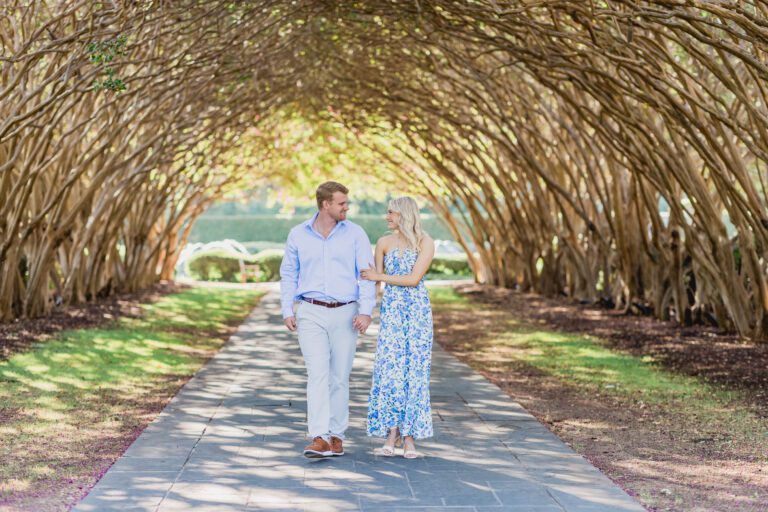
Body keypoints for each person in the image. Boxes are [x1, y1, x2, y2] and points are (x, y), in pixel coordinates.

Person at [279, 181, 376, 458]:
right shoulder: (298, 234)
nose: (347, 207)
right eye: (342, 203)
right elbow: (288, 273)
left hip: (346, 312)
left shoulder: (355, 234)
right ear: (326, 205)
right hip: (310, 311)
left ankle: (336, 435)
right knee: (318, 374)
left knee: (339, 377)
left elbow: (366, 274)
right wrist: (287, 309)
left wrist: (366, 311)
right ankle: (319, 436)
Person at [361, 196, 435, 458]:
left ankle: (410, 437)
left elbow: (414, 279)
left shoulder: (425, 242)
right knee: (391, 372)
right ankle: (391, 433)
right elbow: (375, 285)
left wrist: (378, 276)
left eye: (391, 212)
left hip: (417, 315)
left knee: (414, 373)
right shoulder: (383, 243)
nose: (387, 217)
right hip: (392, 314)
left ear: (404, 214)